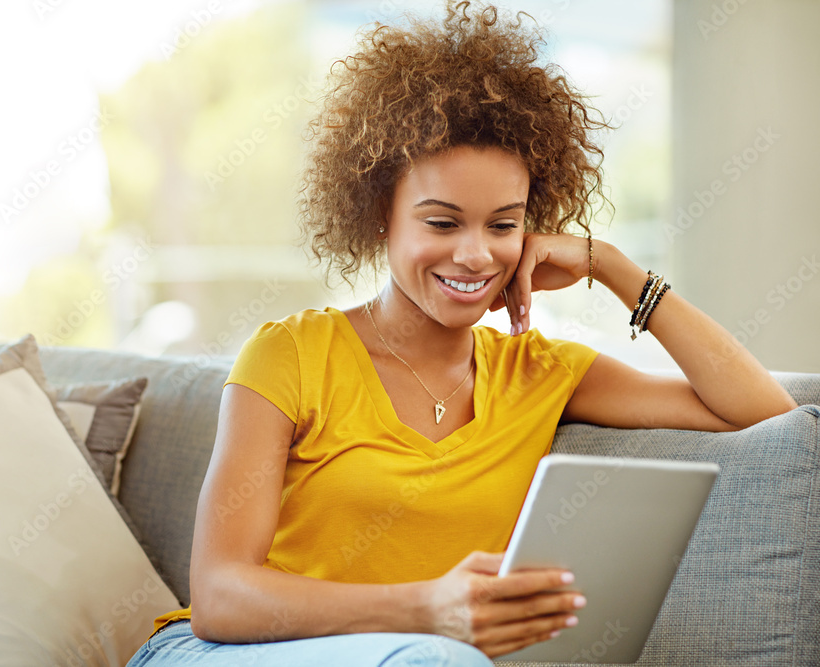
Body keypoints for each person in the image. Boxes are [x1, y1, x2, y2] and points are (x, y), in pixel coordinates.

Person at [126, 2, 797, 665]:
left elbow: (768, 414)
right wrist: (427, 609)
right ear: (379, 215)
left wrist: (611, 266)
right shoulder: (290, 355)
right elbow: (219, 596)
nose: (476, 256)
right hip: (228, 651)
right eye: (443, 223)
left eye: (502, 225)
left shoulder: (539, 372)